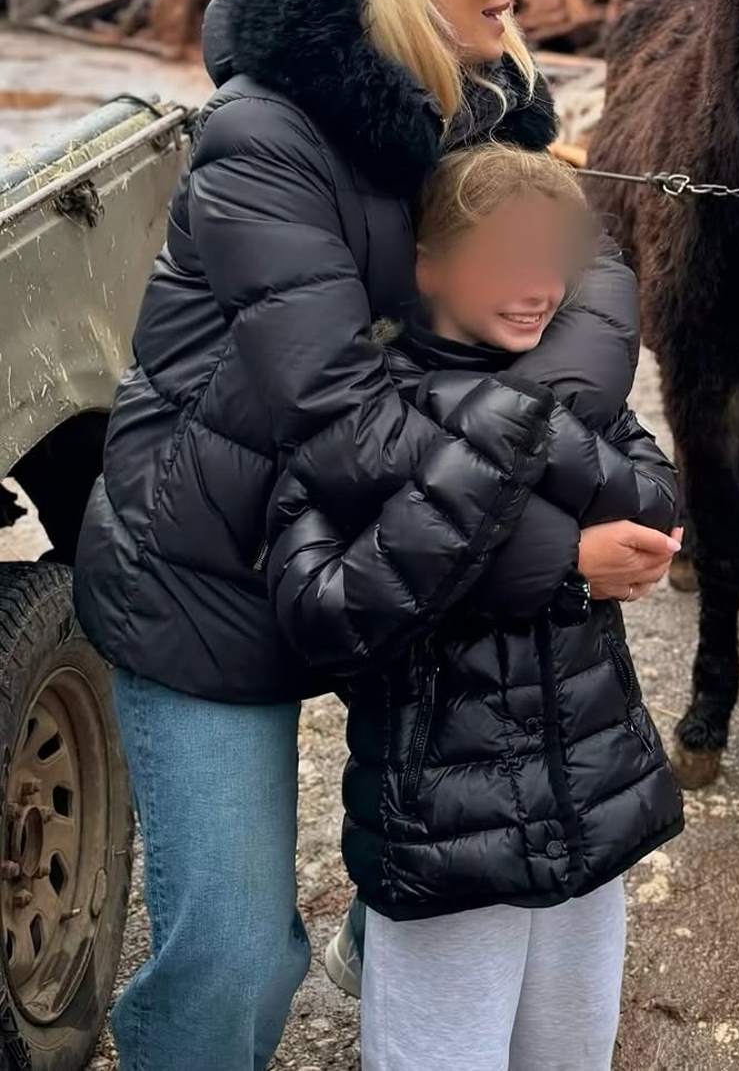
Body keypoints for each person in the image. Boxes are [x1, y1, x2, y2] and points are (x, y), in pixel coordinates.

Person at [72, 0, 679, 1071]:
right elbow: (338, 413)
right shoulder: (264, 138)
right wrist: (560, 543)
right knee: (237, 958)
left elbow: (594, 288)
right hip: (212, 578)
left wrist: (519, 448)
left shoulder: (487, 103)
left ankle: (381, 935)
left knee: (459, 831)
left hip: (400, 540)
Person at [267, 141, 685, 1071]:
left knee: (571, 1056)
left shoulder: (569, 394)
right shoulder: (363, 413)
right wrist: (560, 548)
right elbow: (328, 614)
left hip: (590, 799)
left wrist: (527, 423)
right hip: (443, 829)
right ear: (427, 264)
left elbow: (656, 501)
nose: (538, 286)